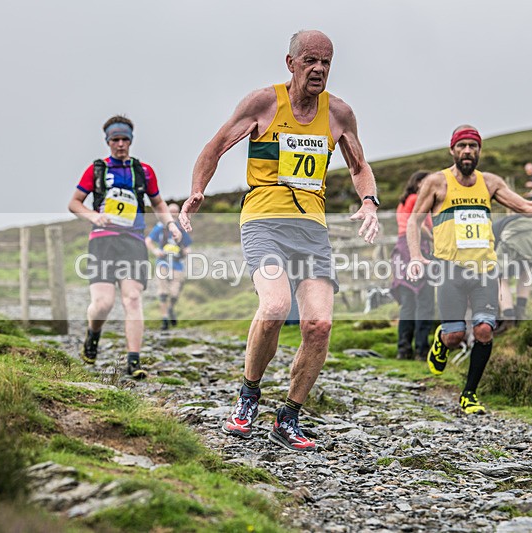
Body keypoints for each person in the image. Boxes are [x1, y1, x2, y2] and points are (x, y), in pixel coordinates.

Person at [179, 30, 379, 452]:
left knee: (319, 325)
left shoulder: (339, 113)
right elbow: (214, 148)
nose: (319, 69)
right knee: (274, 306)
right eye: (310, 60)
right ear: (290, 64)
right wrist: (197, 190)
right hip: (263, 221)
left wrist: (369, 201)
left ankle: (288, 418)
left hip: (312, 230)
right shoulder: (263, 104)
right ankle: (248, 397)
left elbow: (360, 165)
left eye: (326, 61)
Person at [406, 125, 532, 414]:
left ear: (479, 151)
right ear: (452, 150)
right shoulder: (436, 183)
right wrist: (416, 256)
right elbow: (413, 221)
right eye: (462, 146)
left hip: (485, 268)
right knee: (456, 335)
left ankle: (469, 395)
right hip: (449, 269)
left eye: (473, 146)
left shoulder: (490, 183)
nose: (467, 151)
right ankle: (442, 342)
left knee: (484, 329)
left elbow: (525, 207)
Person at [68, 115, 180, 379]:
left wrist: (171, 225)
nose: (120, 144)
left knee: (132, 298)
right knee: (103, 303)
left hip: (133, 241)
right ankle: (93, 335)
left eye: (125, 139)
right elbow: (74, 203)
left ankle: (133, 360)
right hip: (103, 241)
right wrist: (93, 216)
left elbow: (158, 203)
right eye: (115, 140)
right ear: (108, 142)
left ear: (131, 140)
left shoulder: (144, 171)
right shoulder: (97, 169)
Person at [391, 170, 435, 361]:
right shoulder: (417, 199)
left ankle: (404, 349)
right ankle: (422, 349)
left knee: (408, 302)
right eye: (427, 182)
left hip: (402, 249)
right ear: (417, 183)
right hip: (416, 247)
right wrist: (434, 238)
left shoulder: (404, 200)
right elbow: (417, 224)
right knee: (424, 300)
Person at [491, 214, 532, 334]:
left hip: (515, 234)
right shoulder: (499, 224)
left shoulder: (490, 232)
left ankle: (509, 319)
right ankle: (521, 313)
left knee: (499, 278)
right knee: (526, 271)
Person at [146, 202, 192, 330]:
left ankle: (170, 309)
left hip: (177, 265)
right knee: (163, 293)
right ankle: (164, 318)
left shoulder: (181, 228)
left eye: (175, 211)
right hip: (163, 264)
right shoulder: (160, 227)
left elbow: (188, 247)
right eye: (170, 211)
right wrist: (155, 251)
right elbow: (148, 241)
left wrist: (185, 252)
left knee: (174, 294)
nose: (172, 213)